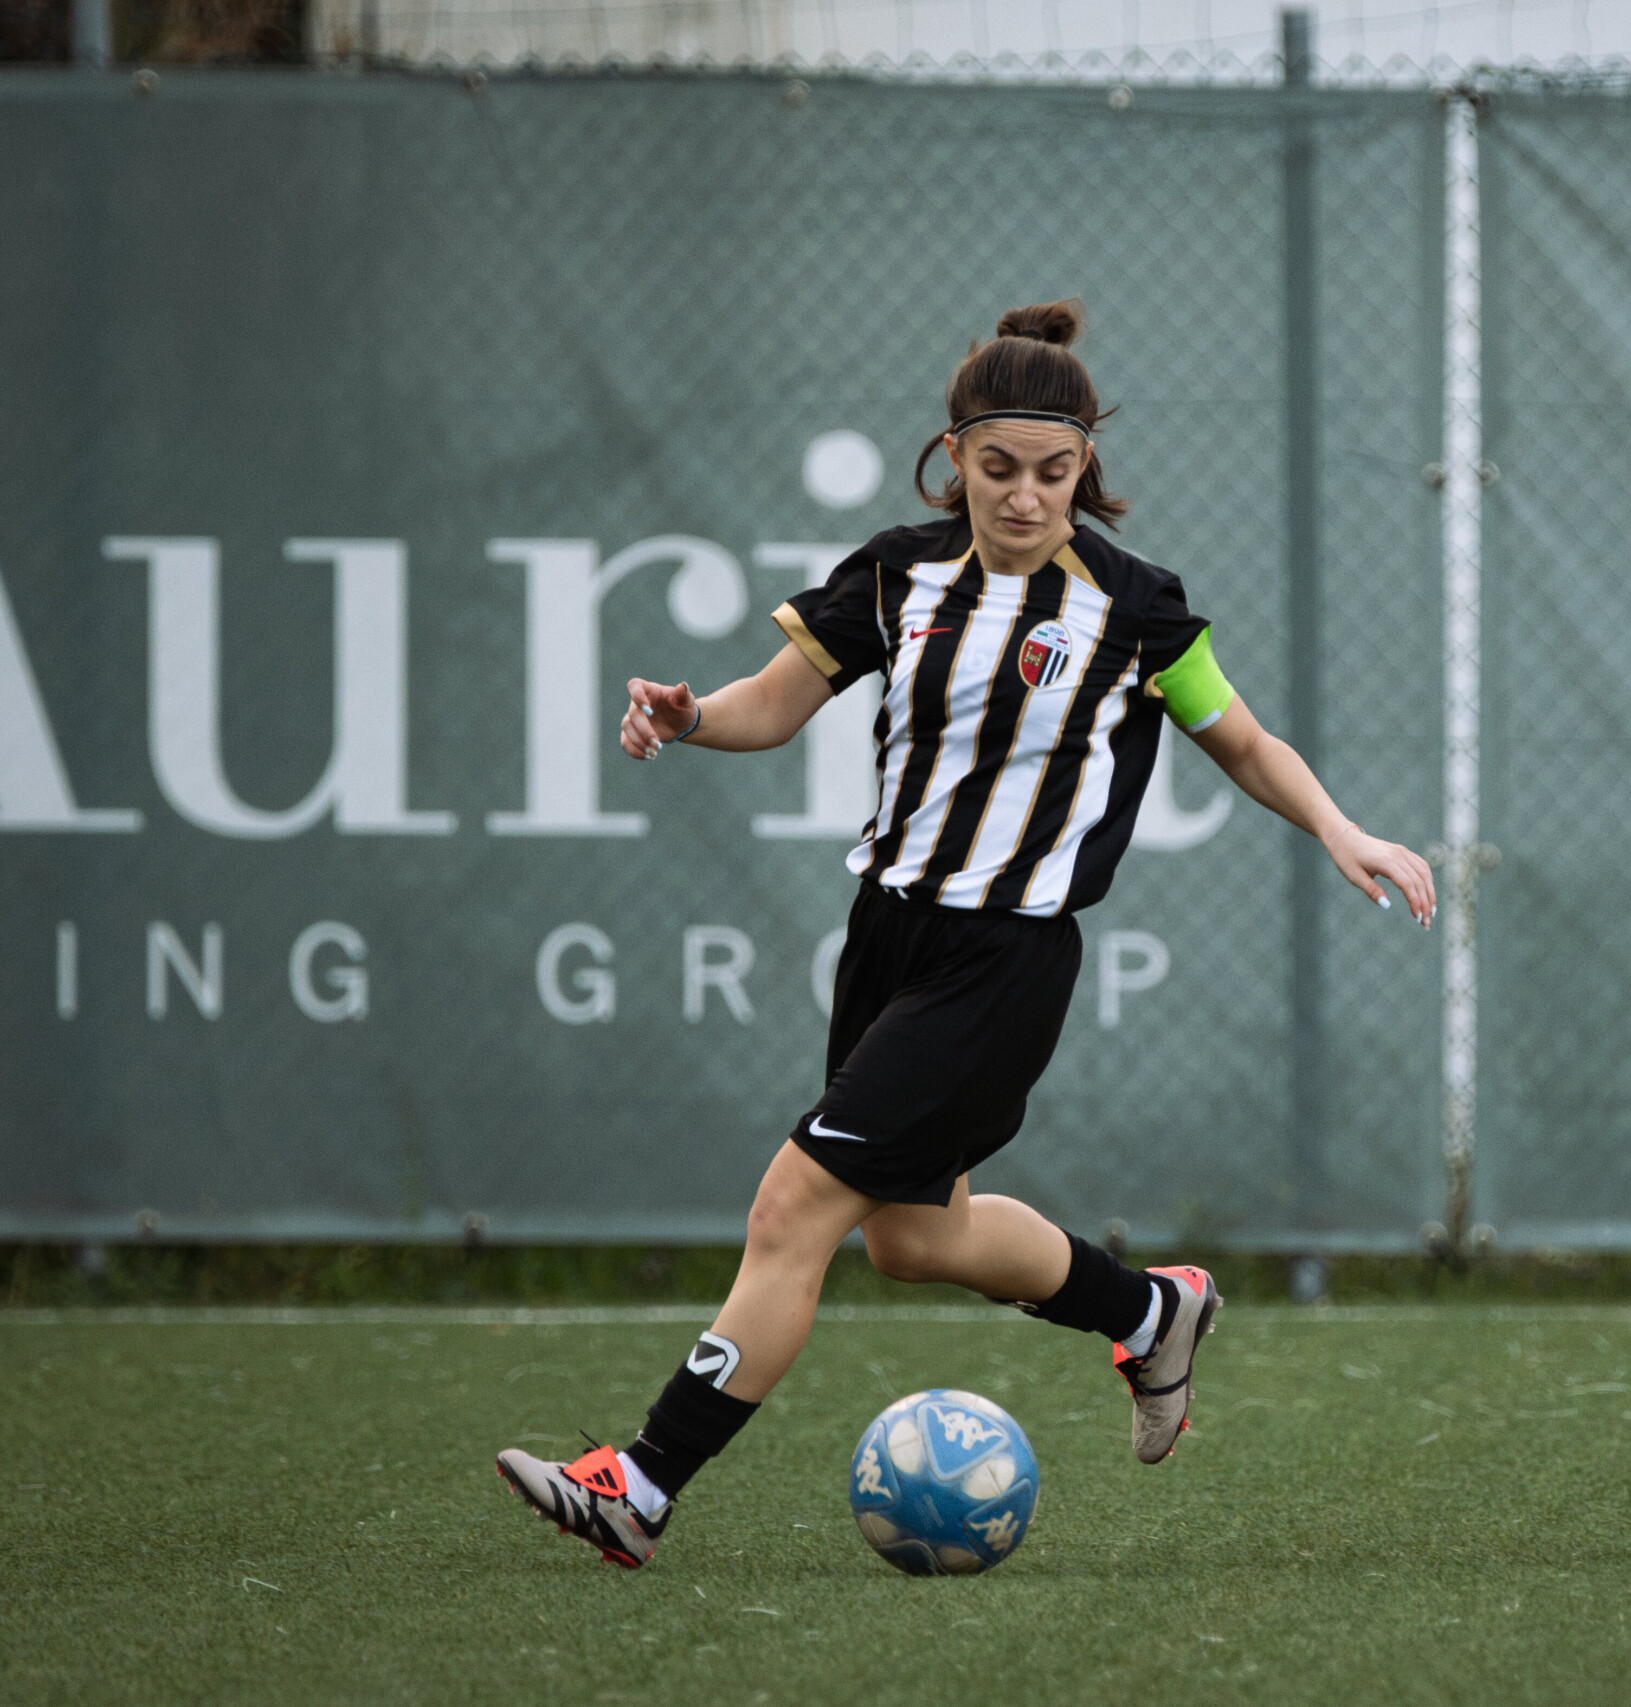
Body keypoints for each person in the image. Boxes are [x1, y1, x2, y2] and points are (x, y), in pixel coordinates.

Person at [496, 300, 1437, 1569]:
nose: (1028, 496)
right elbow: (771, 707)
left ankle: (641, 1484)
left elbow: (1245, 743)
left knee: (792, 1211)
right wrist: (688, 714)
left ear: (1083, 466)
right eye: (1000, 469)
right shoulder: (895, 573)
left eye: (1056, 472)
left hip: (1003, 961)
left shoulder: (1135, 608)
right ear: (955, 456)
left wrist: (1343, 829)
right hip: (886, 937)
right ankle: (1151, 1311)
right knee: (914, 1237)